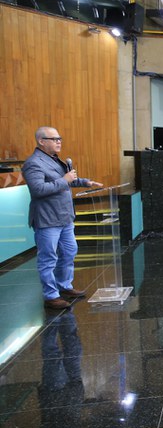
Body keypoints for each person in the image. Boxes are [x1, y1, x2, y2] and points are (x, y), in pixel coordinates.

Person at [22, 127, 103, 309]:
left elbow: (66, 180)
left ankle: (64, 285)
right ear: (41, 141)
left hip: (65, 217)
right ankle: (51, 296)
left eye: (60, 138)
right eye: (54, 139)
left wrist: (85, 182)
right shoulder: (33, 163)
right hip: (47, 219)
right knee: (48, 258)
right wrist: (65, 179)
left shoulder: (55, 159)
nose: (59, 141)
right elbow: (38, 189)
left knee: (69, 252)